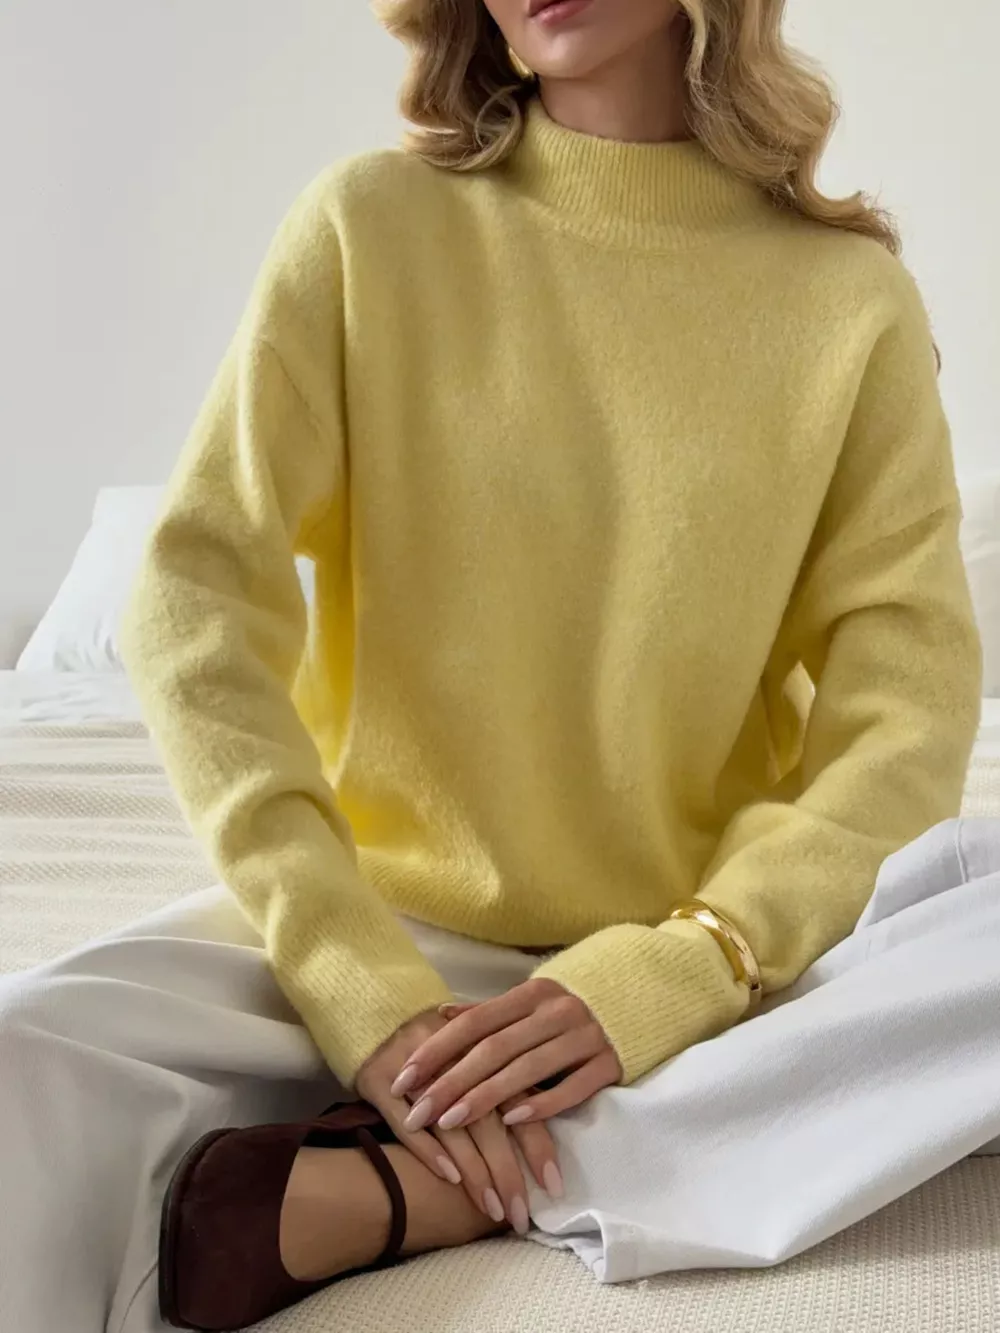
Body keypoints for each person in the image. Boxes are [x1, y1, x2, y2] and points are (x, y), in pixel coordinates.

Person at [0, 1, 986, 1330]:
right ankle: (622, 1144)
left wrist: (677, 971)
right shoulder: (369, 229)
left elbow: (905, 720)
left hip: (717, 963)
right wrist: (361, 992)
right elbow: (194, 604)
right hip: (395, 941)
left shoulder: (846, 302)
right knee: (18, 1060)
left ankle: (436, 1183)